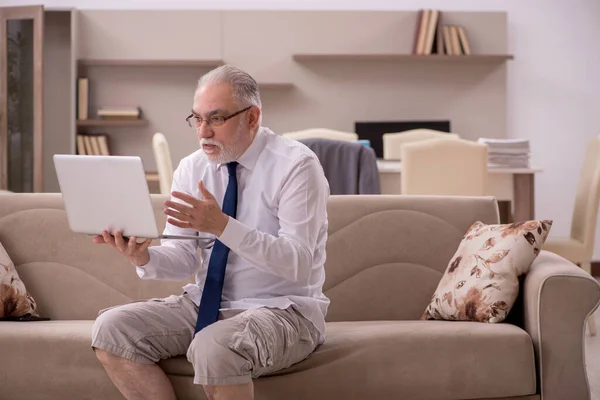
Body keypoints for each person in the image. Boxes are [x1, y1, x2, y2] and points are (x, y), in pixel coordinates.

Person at [91, 65, 330, 400]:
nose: (203, 132)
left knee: (214, 345)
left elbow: (299, 263)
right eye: (197, 119)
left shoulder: (297, 166)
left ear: (252, 117)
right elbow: (184, 257)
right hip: (205, 304)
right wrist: (144, 256)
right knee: (112, 330)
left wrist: (221, 226)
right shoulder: (192, 167)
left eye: (216, 119)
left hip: (283, 309)